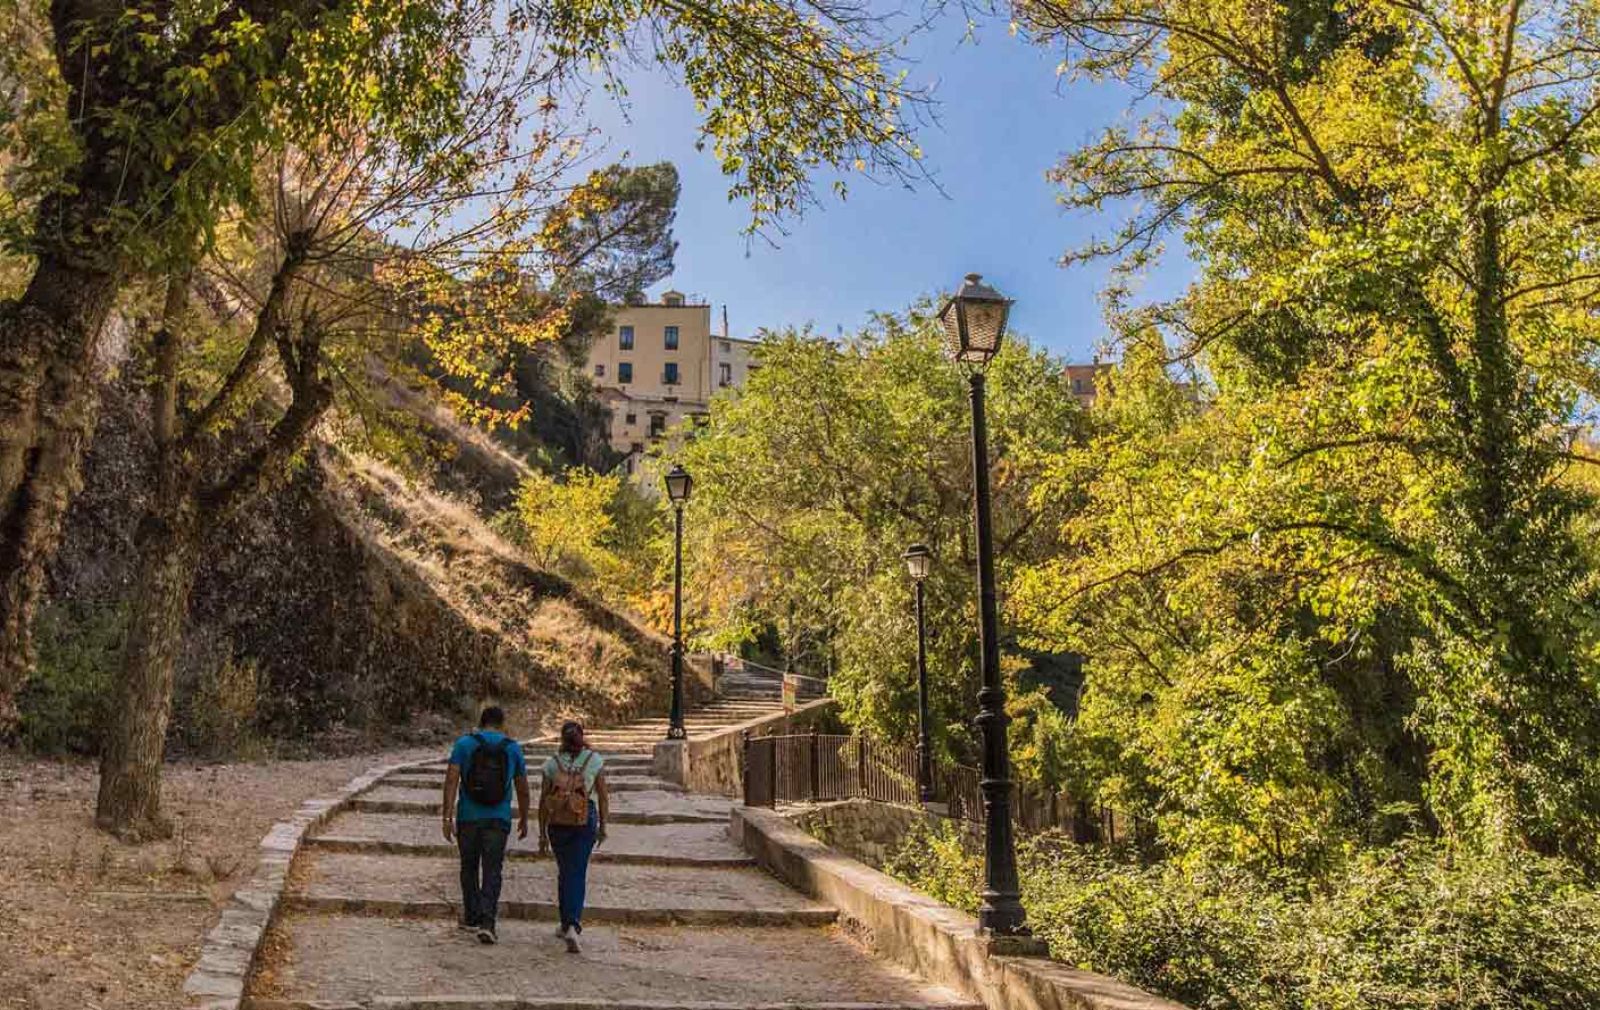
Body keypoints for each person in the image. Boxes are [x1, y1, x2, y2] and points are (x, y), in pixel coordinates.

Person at [442, 705, 529, 945]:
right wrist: (523, 817)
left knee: (468, 867)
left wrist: (446, 817)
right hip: (498, 819)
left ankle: (471, 917)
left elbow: (451, 781)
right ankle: (488, 923)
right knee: (493, 870)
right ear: (502, 724)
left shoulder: (463, 744)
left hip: (468, 817)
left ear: (481, 722)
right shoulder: (512, 748)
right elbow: (522, 787)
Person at [538, 720, 608, 952]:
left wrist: (541, 833)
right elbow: (604, 797)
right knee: (577, 871)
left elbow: (543, 800)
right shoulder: (594, 761)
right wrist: (603, 826)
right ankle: (572, 925)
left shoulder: (551, 764)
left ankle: (565, 922)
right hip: (583, 819)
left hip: (557, 822)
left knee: (565, 870)